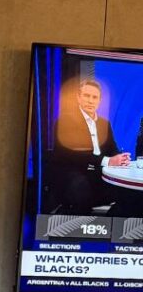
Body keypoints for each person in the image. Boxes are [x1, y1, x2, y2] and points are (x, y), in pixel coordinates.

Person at [49, 79, 131, 212]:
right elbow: (75, 155)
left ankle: (115, 226)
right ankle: (79, 225)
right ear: (78, 97)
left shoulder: (104, 124)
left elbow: (112, 148)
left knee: (126, 192)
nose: (90, 100)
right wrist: (108, 161)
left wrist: (120, 158)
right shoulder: (66, 121)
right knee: (81, 187)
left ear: (99, 101)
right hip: (74, 172)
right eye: (86, 96)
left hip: (98, 173)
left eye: (95, 97)